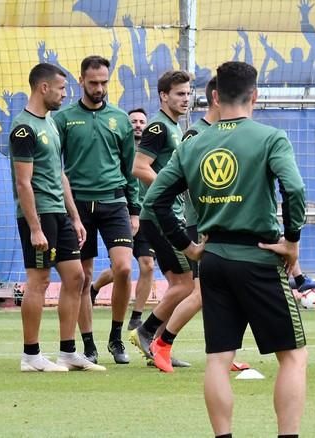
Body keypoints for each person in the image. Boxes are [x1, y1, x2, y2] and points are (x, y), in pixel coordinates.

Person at [146, 61, 307, 437]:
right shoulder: (270, 138)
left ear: (215, 96)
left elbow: (154, 202)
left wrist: (189, 247)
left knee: (218, 359)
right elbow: (295, 189)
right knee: (293, 357)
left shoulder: (193, 143)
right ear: (255, 96)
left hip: (214, 259)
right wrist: (292, 242)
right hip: (259, 257)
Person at [10, 63, 104, 372]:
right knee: (39, 280)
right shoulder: (24, 128)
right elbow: (24, 182)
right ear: (44, 88)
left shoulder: (50, 123)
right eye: (62, 89)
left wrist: (75, 217)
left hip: (60, 213)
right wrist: (35, 227)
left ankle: (68, 352)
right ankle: (31, 355)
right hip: (38, 215)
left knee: (76, 277)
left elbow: (60, 174)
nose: (66, 94)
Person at [54, 55, 140, 365]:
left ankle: (116, 338)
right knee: (83, 276)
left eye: (104, 82)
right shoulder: (63, 120)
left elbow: (130, 169)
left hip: (114, 203)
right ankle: (88, 345)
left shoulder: (119, 119)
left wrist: (134, 209)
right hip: (77, 206)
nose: (99, 88)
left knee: (124, 268)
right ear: (81, 82)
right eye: (93, 83)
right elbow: (55, 165)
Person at [128, 70, 195, 363]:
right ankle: (146, 332)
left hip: (167, 214)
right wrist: (167, 191)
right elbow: (140, 167)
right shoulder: (159, 128)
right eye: (179, 94)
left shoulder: (174, 127)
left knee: (179, 284)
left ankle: (157, 345)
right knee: (187, 284)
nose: (186, 99)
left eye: (188, 93)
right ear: (163, 96)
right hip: (160, 217)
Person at [90, 108, 156, 331]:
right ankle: (94, 287)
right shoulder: (118, 151)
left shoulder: (152, 150)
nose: (138, 124)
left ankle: (137, 316)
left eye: (141, 121)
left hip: (147, 215)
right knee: (121, 268)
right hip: (121, 213)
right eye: (133, 121)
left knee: (147, 265)